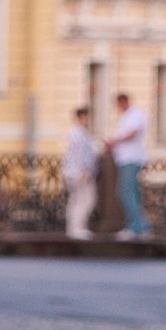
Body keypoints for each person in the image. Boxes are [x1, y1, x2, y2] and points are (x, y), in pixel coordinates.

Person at [107, 88, 150, 239]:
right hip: (126, 159)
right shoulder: (127, 116)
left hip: (131, 159)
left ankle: (136, 226)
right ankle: (140, 225)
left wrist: (114, 142)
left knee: (126, 193)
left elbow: (132, 134)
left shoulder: (136, 114)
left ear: (123, 102)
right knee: (133, 194)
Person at [63, 104, 101, 243]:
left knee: (76, 200)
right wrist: (84, 170)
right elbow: (81, 154)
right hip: (80, 172)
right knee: (85, 199)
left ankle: (74, 228)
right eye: (86, 117)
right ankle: (77, 229)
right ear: (82, 117)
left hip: (73, 171)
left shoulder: (77, 133)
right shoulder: (79, 134)